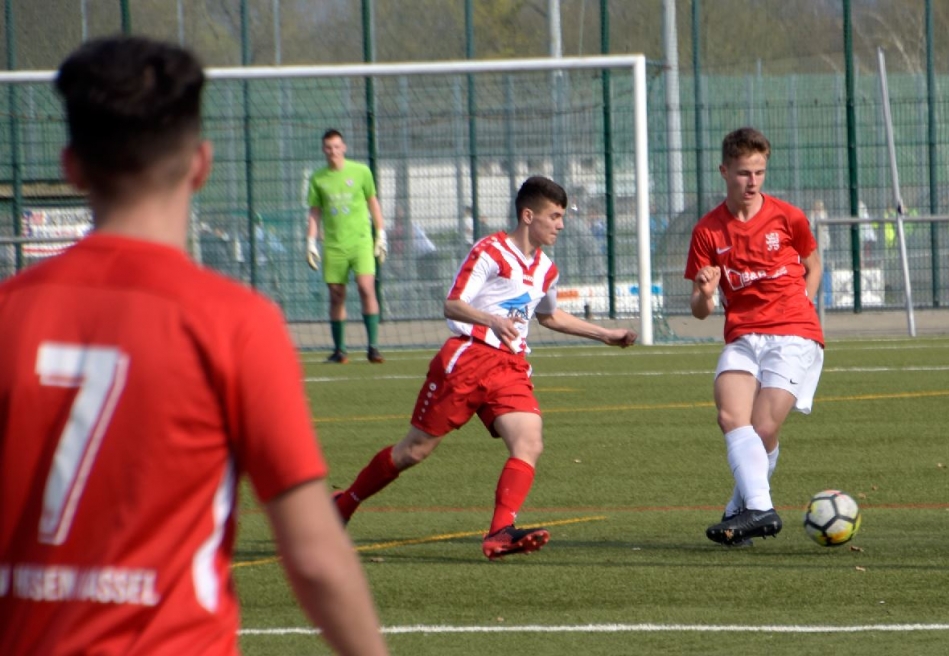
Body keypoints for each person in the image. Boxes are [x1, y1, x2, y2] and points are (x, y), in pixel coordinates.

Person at [0, 36, 388, 656]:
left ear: (70, 167)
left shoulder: (9, 315)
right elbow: (314, 556)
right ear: (201, 164)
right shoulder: (235, 324)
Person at [333, 176, 638, 559]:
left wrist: (604, 333)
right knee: (413, 452)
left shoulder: (546, 269)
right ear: (529, 216)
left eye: (562, 216)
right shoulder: (490, 251)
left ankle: (500, 533)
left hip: (509, 366)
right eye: (554, 216)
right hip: (467, 359)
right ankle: (343, 504)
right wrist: (491, 320)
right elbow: (453, 304)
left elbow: (550, 316)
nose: (561, 224)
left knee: (529, 440)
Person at [684, 127, 824, 547]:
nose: (753, 182)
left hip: (793, 334)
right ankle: (757, 509)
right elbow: (698, 309)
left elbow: (813, 264)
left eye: (760, 172)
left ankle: (741, 510)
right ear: (724, 170)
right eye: (744, 173)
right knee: (731, 418)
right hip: (743, 336)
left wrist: (805, 306)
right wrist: (706, 293)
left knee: (762, 428)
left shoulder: (788, 217)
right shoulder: (708, 231)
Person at [306, 128, 388, 364]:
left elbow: (373, 203)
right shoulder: (318, 178)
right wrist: (310, 241)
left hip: (361, 242)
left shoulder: (361, 172)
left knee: (366, 288)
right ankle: (339, 350)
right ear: (324, 150)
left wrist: (380, 234)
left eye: (337, 147)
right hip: (333, 245)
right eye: (328, 148)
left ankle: (373, 347)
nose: (333, 151)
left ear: (344, 147)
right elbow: (314, 211)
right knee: (336, 295)